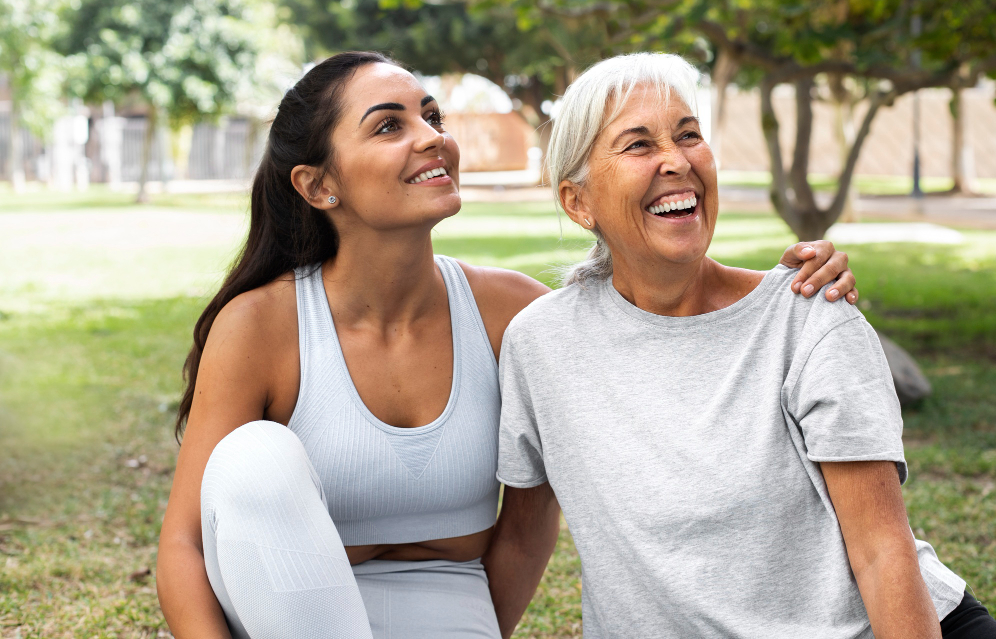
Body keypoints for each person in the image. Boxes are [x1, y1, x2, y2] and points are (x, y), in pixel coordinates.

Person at [155, 51, 859, 638]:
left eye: (432, 116)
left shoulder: (516, 316)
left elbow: (659, 322)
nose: (432, 137)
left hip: (456, 617)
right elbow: (184, 546)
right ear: (318, 185)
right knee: (253, 459)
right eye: (390, 125)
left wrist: (786, 290)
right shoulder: (261, 324)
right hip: (289, 620)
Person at [496, 52, 996, 639]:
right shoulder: (541, 344)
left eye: (689, 135)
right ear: (577, 202)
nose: (677, 160)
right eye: (638, 145)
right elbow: (522, 535)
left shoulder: (809, 315)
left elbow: (882, 551)